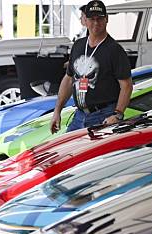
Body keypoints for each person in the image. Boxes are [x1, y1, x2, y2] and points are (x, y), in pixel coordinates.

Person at [50, 0, 132, 134]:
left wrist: (118, 114)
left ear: (106, 19)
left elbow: (126, 85)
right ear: (85, 20)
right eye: (92, 19)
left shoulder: (114, 50)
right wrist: (57, 111)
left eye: (99, 19)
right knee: (68, 151)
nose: (96, 23)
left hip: (104, 115)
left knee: (98, 155)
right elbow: (69, 78)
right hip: (79, 115)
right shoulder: (78, 45)